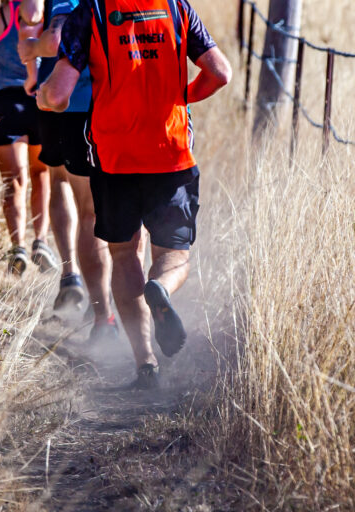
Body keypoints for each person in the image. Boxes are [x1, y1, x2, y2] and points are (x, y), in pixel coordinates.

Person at [37, 0, 232, 388]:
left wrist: (41, 97)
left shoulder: (90, 10)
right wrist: (182, 98)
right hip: (171, 152)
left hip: (115, 159)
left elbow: (58, 96)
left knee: (124, 253)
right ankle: (160, 287)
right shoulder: (176, 6)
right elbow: (220, 73)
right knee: (173, 254)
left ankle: (145, 366)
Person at [18, 0, 116, 340]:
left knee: (68, 188)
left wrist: (31, 48)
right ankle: (106, 297)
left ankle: (79, 283)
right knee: (105, 200)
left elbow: (56, 36)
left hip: (67, 99)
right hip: (109, 97)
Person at [0, 0, 58, 275]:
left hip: (5, 104)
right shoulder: (47, 15)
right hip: (40, 101)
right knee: (40, 174)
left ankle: (17, 246)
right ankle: (41, 242)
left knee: (14, 181)